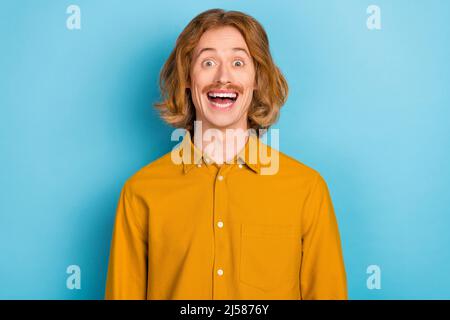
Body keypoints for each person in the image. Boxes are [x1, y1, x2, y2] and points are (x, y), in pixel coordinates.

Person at [104, 8, 347, 300]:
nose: (223, 77)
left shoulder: (308, 190)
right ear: (187, 78)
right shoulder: (139, 193)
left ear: (257, 79)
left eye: (238, 62)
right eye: (207, 62)